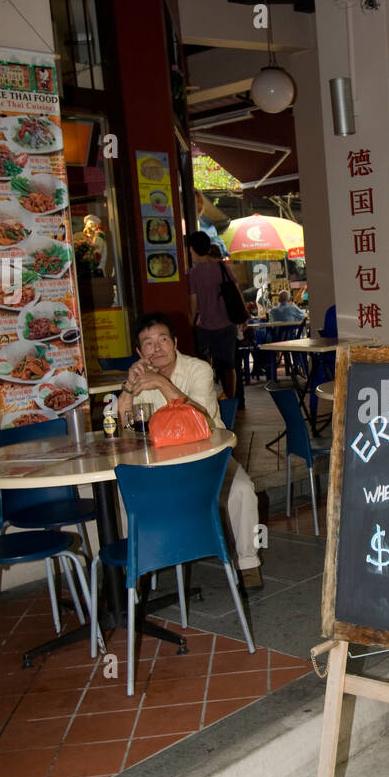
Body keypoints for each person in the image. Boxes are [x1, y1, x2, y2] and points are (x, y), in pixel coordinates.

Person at [117, 314, 263, 588]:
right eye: (148, 343)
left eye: (162, 340)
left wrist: (161, 383)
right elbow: (122, 426)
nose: (157, 348)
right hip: (161, 463)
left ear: (175, 342)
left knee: (243, 490)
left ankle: (248, 563)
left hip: (209, 457)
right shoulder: (140, 376)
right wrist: (128, 387)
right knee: (125, 492)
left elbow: (202, 419)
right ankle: (138, 566)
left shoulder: (199, 370)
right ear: (139, 352)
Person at [186, 231, 245, 400]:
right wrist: (244, 316)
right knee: (229, 365)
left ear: (192, 249)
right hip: (227, 324)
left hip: (205, 327)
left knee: (203, 363)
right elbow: (237, 290)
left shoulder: (194, 273)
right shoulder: (221, 266)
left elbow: (193, 301)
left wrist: (190, 322)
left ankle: (205, 396)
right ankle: (231, 399)